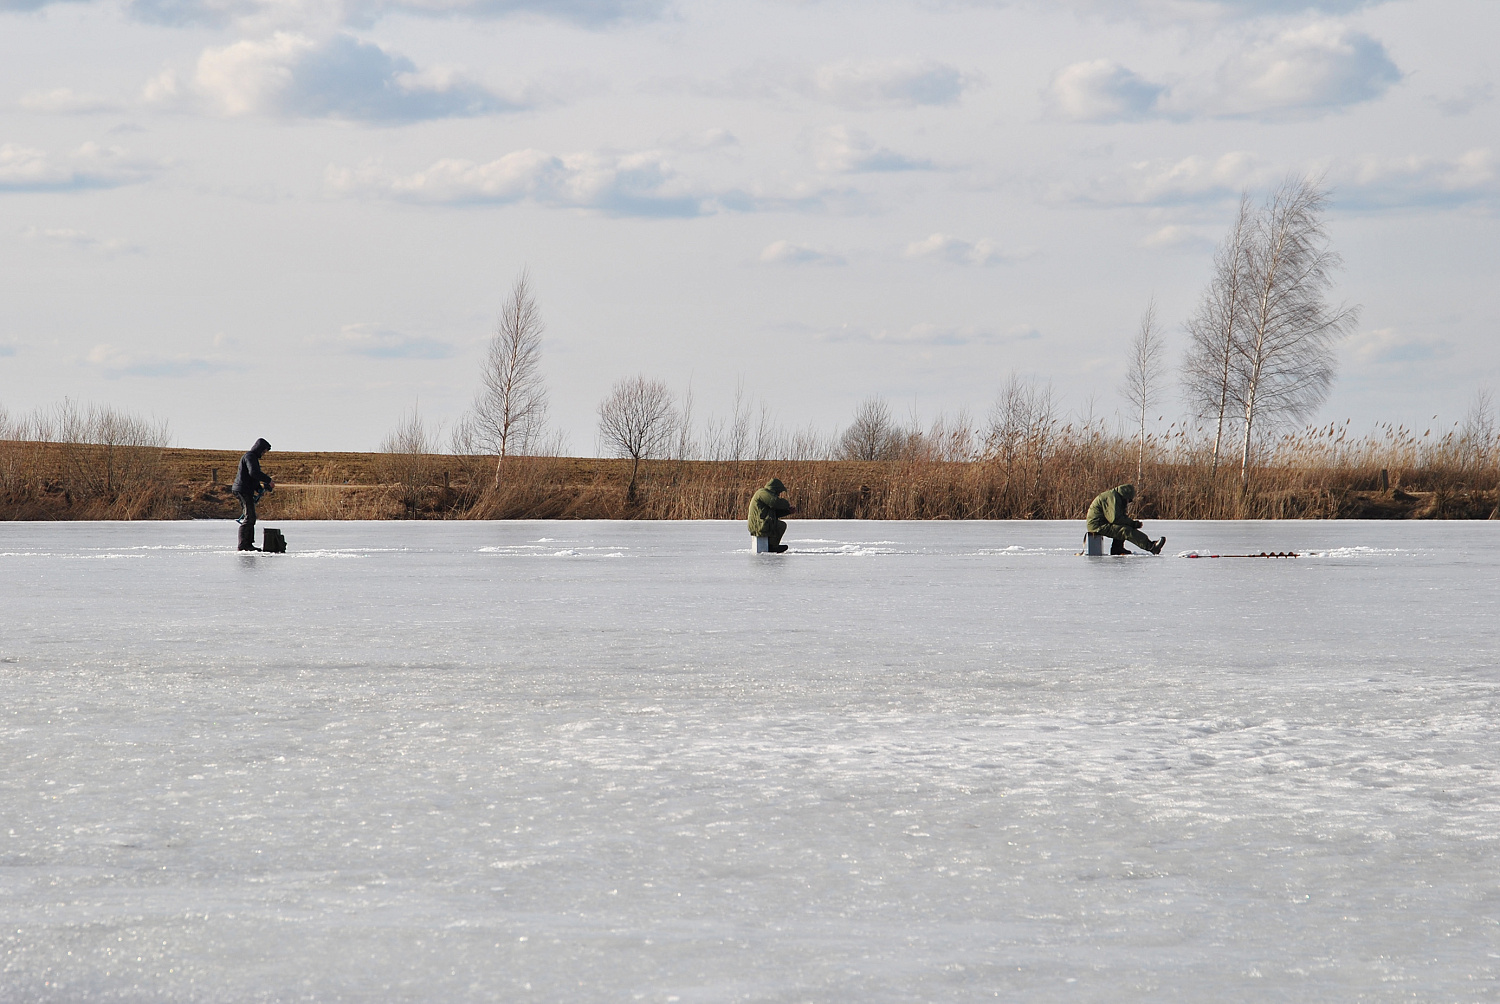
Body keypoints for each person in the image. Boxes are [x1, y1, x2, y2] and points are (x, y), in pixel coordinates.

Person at [1086, 483, 1165, 555]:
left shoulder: (1115, 496)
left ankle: (1117, 549)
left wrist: (1130, 523)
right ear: (1125, 496)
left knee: (1122, 527)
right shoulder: (1112, 497)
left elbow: (1118, 518)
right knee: (1125, 530)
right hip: (1097, 525)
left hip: (1101, 523)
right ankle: (1152, 547)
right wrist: (1132, 523)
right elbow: (1114, 519)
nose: (1128, 502)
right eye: (1128, 500)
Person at [232, 438, 275, 551]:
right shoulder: (250, 457)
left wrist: (259, 488)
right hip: (242, 490)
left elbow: (252, 477)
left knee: (251, 517)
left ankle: (248, 543)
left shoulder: (252, 458)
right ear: (259, 449)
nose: (264, 454)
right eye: (264, 451)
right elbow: (253, 473)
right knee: (249, 517)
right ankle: (243, 545)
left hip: (245, 489)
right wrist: (268, 480)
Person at [747, 478, 796, 553]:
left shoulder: (766, 496)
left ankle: (772, 545)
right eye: (779, 492)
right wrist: (786, 504)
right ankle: (772, 547)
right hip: (758, 525)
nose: (779, 494)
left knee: (779, 524)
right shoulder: (762, 493)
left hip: (762, 523)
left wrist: (788, 511)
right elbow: (775, 502)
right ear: (774, 489)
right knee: (780, 525)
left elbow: (774, 514)